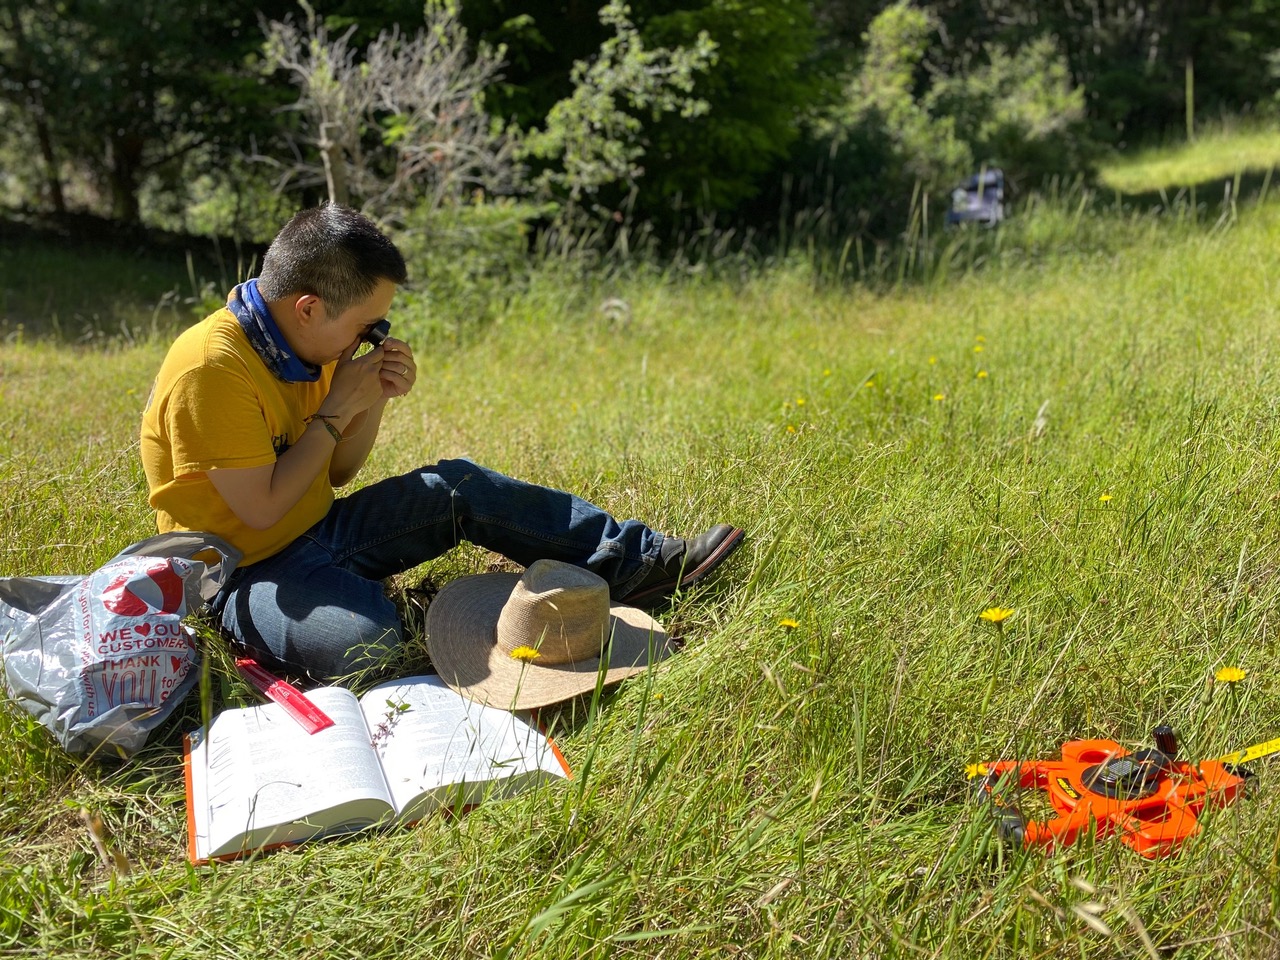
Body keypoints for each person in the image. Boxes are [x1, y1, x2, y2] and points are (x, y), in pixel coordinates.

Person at [140, 203, 743, 681]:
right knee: (368, 646)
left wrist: (369, 396)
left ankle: (641, 562)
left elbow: (339, 472)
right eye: (363, 327)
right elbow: (260, 508)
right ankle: (362, 615)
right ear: (308, 307)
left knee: (459, 486)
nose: (371, 338)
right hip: (240, 574)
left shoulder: (312, 344)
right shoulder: (211, 369)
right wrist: (333, 412)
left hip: (319, 530)